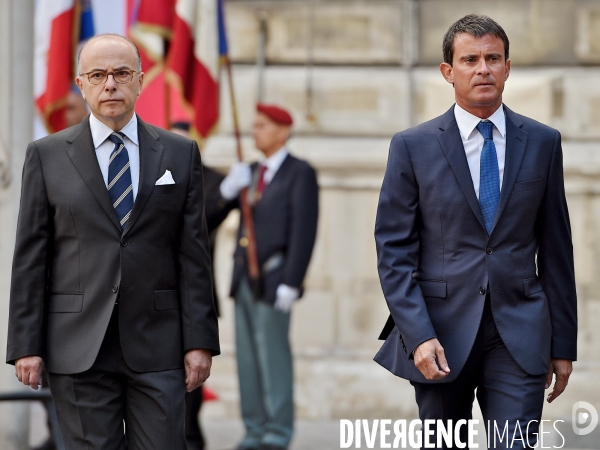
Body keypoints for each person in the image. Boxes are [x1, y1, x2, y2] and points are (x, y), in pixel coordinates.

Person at [7, 34, 219, 449]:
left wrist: (200, 341)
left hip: (159, 345)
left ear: (140, 81)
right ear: (80, 84)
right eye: (98, 75)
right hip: (76, 344)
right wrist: (25, 346)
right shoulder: (46, 156)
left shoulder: (179, 153)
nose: (110, 84)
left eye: (122, 73)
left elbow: (193, 255)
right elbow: (32, 257)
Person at [374, 14, 577, 448]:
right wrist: (418, 335)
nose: (483, 68)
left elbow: (558, 250)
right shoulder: (412, 146)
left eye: (492, 58)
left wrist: (563, 344)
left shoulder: (543, 142)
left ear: (507, 67)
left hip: (520, 334)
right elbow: (394, 250)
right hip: (440, 336)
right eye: (470, 59)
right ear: (449, 72)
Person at [219, 103, 319, 450]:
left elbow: (304, 231)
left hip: (275, 276)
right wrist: (227, 191)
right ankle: (254, 429)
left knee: (272, 357)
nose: (254, 131)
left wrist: (293, 281)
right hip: (244, 276)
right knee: (246, 358)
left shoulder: (299, 173)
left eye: (262, 125)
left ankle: (277, 433)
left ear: (282, 130)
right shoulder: (250, 172)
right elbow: (209, 215)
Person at [171, 120, 236, 450]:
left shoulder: (211, 180)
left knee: (194, 369)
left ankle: (192, 439)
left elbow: (204, 221)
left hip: (196, 290)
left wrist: (227, 194)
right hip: (158, 291)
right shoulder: (151, 172)